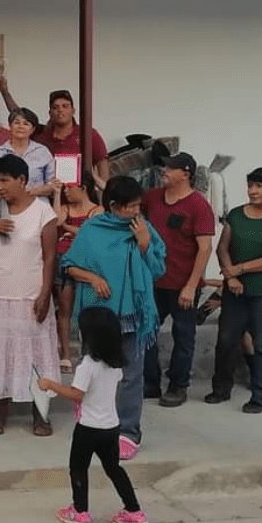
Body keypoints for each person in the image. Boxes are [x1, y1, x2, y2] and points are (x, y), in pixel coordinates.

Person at [63, 176, 166, 460]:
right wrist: (92, 277)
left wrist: (144, 244)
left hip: (133, 313)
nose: (135, 212)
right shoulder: (92, 230)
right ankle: (92, 419)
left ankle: (128, 431)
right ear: (112, 205)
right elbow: (69, 265)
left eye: (137, 205)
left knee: (130, 375)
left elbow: (158, 269)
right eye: (129, 207)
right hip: (98, 316)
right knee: (93, 370)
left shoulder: (143, 229)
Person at [0, 155, 60, 435]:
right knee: (0, 353)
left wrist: (46, 294)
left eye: (5, 180)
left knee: (36, 355)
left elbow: (50, 256)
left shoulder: (43, 211)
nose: (0, 186)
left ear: (23, 181)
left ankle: (41, 414)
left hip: (30, 294)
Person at [39, 307, 149, 523]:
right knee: (113, 468)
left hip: (88, 428)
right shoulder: (116, 364)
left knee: (78, 468)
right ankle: (134, 510)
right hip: (111, 427)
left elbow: (76, 394)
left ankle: (80, 512)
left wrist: (50, 385)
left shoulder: (87, 366)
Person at [206, 168, 262, 414]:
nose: (253, 191)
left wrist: (240, 269)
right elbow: (222, 248)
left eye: (259, 186)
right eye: (251, 185)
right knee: (226, 340)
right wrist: (230, 274)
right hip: (235, 290)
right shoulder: (236, 215)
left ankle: (261, 395)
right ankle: (221, 389)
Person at [140, 153, 216, 407]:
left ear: (185, 173)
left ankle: (177, 385)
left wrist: (192, 285)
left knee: (183, 336)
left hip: (183, 283)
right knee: (147, 332)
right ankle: (150, 382)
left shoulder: (198, 205)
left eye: (170, 168)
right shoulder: (152, 198)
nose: (165, 172)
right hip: (153, 281)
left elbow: (205, 248)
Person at [0, 74, 110, 189]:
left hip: (80, 197)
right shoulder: (40, 134)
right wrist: (4, 91)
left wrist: (104, 192)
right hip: (48, 196)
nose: (60, 110)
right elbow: (21, 116)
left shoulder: (88, 134)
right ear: (50, 112)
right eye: (55, 107)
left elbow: (102, 163)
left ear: (73, 110)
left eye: (65, 106)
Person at [53, 175, 101, 372]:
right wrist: (56, 195)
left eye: (68, 188)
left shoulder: (97, 210)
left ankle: (88, 353)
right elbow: (56, 221)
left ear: (83, 188)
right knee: (64, 309)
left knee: (89, 310)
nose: (66, 191)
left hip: (86, 263)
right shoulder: (65, 208)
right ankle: (65, 355)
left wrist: (68, 228)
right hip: (63, 259)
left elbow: (89, 233)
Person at [0, 108, 56, 200]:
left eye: (26, 124)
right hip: (4, 207)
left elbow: (52, 184)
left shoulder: (42, 152)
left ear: (33, 129)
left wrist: (30, 193)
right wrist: (7, 196)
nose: (21, 126)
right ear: (10, 126)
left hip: (37, 206)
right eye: (17, 122)